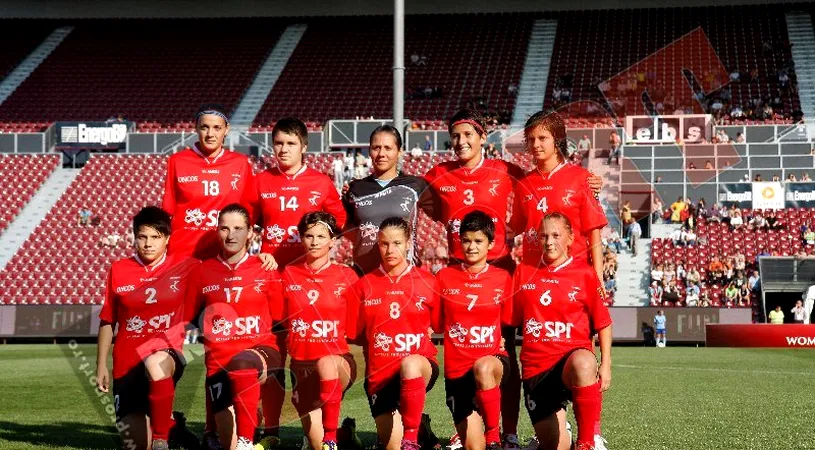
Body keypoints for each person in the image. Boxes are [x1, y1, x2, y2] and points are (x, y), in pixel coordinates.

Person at [95, 207, 199, 450]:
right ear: (134, 237)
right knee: (136, 444)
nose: (148, 244)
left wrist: (262, 256)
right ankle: (173, 425)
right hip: (126, 361)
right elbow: (108, 320)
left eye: (155, 237)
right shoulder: (118, 269)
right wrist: (101, 365)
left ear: (167, 239)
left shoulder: (187, 267)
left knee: (156, 363)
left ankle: (162, 438)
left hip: (166, 352)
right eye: (142, 237)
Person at [185, 204, 284, 450]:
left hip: (260, 352)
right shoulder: (201, 271)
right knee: (225, 442)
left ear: (251, 233)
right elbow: (186, 316)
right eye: (225, 228)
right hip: (219, 363)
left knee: (243, 365)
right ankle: (246, 422)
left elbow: (281, 317)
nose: (231, 235)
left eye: (239, 228)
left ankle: (246, 442)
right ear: (217, 231)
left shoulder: (265, 268)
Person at [511, 213, 612, 450]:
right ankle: (559, 430)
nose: (549, 241)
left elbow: (603, 323)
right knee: (555, 446)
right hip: (536, 370)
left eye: (556, 235)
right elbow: (510, 320)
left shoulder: (585, 274)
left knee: (584, 362)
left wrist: (606, 364)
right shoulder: (524, 272)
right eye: (544, 236)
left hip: (569, 362)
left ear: (570, 238)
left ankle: (586, 442)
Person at [345, 217, 440, 450]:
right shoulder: (364, 285)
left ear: (408, 243)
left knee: (410, 364)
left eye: (397, 243)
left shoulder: (428, 281)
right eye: (384, 244)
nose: (390, 250)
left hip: (419, 366)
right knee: (390, 446)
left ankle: (412, 437)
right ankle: (422, 430)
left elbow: (439, 324)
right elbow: (355, 334)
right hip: (380, 376)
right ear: (378, 245)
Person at [279, 212, 359, 450]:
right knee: (316, 444)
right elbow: (283, 319)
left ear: (333, 241)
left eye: (321, 236)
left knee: (326, 440)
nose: (315, 241)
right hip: (301, 365)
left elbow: (355, 325)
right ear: (302, 239)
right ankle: (346, 434)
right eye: (309, 235)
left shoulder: (348, 276)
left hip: (337, 362)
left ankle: (333, 437)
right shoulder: (289, 274)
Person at [436, 211, 513, 450]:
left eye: (478, 241)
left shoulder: (503, 278)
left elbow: (510, 321)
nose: (471, 246)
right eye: (467, 240)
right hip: (457, 371)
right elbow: (437, 323)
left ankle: (494, 437)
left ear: (490, 244)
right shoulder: (444, 277)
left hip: (492, 364)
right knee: (472, 446)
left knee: (484, 366)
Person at [510, 110, 607, 280]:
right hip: (534, 275)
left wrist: (598, 278)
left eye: (542, 138)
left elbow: (594, 233)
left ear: (557, 139)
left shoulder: (582, 179)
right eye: (531, 139)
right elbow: (515, 227)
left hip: (573, 275)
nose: (535, 144)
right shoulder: (523, 184)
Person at [162, 104, 257, 260]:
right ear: (197, 128)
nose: (210, 134)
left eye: (217, 128)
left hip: (224, 253)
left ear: (226, 129)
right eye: (205, 127)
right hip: (184, 253)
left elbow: (248, 211)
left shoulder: (240, 163)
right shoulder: (177, 161)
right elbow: (168, 211)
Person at [253, 117, 347, 269]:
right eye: (279, 143)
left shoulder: (321, 182)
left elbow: (339, 220)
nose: (284, 150)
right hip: (271, 266)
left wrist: (325, 248)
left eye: (291, 143)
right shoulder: (260, 180)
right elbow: (244, 223)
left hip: (309, 268)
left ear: (303, 147)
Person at [343, 126, 434, 275]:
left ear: (399, 152)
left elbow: (446, 211)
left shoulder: (416, 185)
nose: (381, 154)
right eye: (376, 148)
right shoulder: (355, 189)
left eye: (388, 148)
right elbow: (345, 226)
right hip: (365, 275)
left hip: (405, 275)